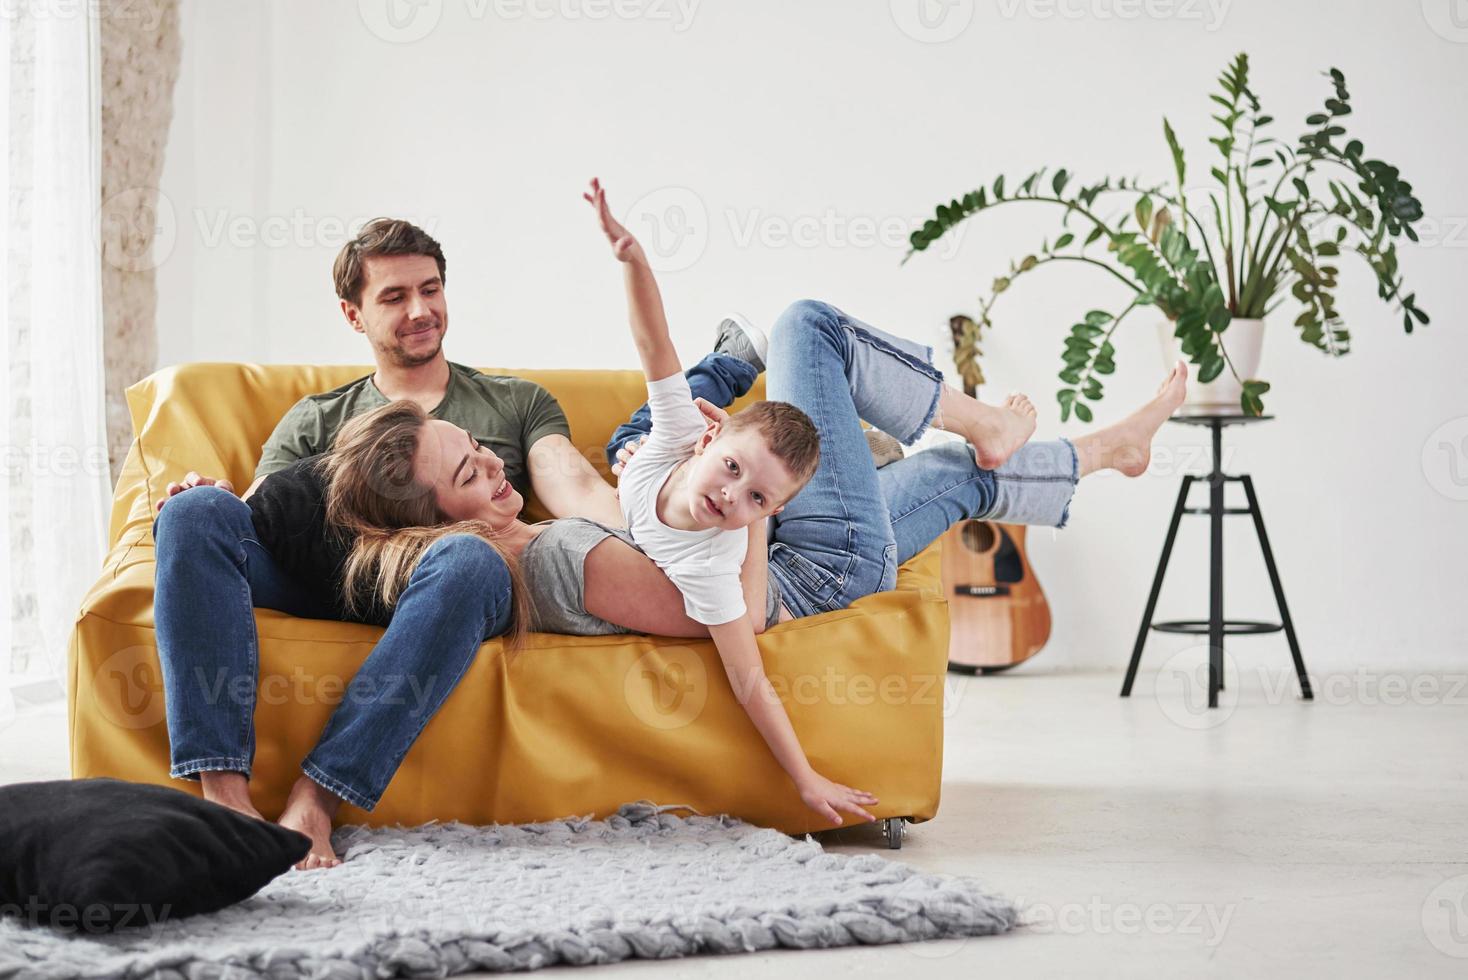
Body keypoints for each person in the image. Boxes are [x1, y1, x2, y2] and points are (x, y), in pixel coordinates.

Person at [296, 293, 1189, 833]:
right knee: (809, 325)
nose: (494, 460)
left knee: (955, 484)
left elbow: (642, 463)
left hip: (797, 546)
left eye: (478, 448)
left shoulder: (527, 538)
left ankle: (1111, 450)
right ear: (441, 518)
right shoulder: (555, 570)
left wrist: (676, 454)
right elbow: (734, 627)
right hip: (809, 566)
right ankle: (983, 417)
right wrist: (749, 520)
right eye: (469, 469)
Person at [151, 218, 765, 869]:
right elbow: (256, 519)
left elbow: (575, 488)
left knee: (472, 557)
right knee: (194, 512)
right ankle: (224, 799)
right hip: (327, 572)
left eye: (430, 288)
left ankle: (317, 799)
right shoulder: (317, 418)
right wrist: (201, 504)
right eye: (393, 297)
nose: (419, 310)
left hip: (444, 582)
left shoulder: (512, 402)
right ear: (352, 314)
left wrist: (671, 512)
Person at [585, 177, 880, 825]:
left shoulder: (712, 568)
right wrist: (634, 259)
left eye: (753, 497)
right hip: (767, 535)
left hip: (804, 560)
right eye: (731, 469)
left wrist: (805, 779)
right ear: (709, 437)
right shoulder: (678, 435)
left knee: (930, 486)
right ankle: (849, 446)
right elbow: (653, 344)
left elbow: (751, 683)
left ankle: (869, 463)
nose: (728, 495)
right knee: (638, 427)